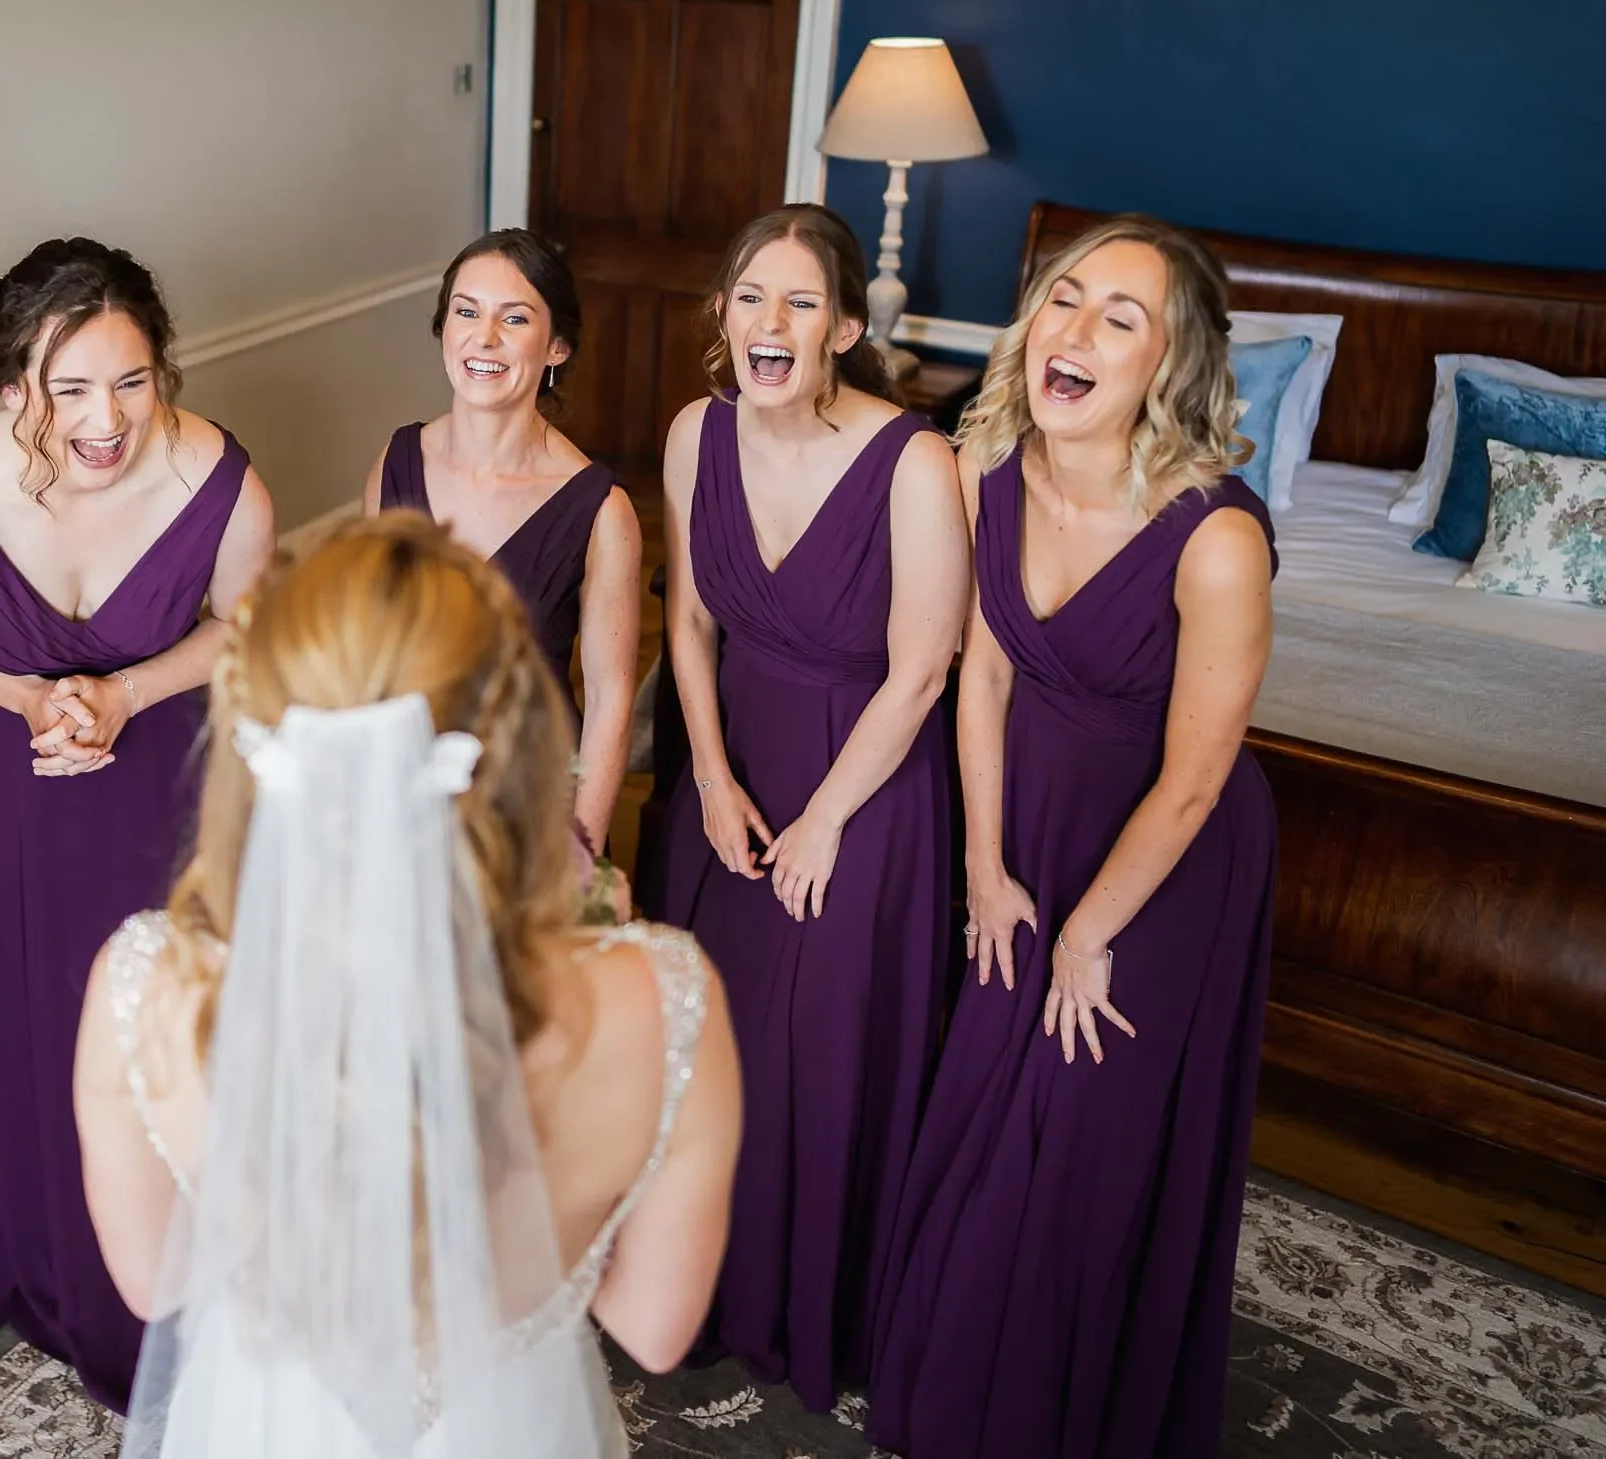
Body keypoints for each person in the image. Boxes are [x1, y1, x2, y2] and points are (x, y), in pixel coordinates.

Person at [70, 514, 743, 1457]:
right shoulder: (666, 995)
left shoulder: (142, 985)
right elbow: (656, 1326)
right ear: (514, 745)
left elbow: (155, 1284)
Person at [865, 215, 1278, 1459]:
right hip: (1026, 830)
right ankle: (956, 1387)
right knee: (984, 1097)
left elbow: (1198, 782)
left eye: (1120, 318)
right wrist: (987, 870)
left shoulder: (1215, 539)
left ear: (1169, 363)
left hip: (1161, 868)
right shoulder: (989, 468)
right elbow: (981, 676)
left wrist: (1088, 933)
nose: (1077, 331)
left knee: (1086, 1134)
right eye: (1064, 300)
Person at [0, 236, 272, 1407]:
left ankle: (180, 1259)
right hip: (1, 779)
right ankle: (39, 1251)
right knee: (20, 1002)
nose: (105, 418)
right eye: (66, 386)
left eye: (131, 381)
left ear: (164, 374)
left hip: (161, 781)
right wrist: (25, 693)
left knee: (164, 1018)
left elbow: (244, 623)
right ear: (9, 387)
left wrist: (127, 690)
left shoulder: (218, 479)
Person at [642, 205, 965, 1411]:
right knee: (708, 1044)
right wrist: (712, 778)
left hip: (863, 786)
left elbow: (922, 668)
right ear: (722, 317)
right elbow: (686, 619)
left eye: (797, 302)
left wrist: (824, 817)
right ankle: (696, 1288)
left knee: (817, 1051)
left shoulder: (914, 459)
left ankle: (809, 1305)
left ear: (839, 324)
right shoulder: (693, 433)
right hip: (731, 768)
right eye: (747, 297)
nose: (768, 323)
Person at [365, 229, 641, 856]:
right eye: (466, 311)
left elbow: (609, 699)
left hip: (527, 794)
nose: (483, 337)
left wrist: (584, 847)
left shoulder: (601, 510)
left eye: (514, 319)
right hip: (398, 786)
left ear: (557, 347)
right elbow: (368, 643)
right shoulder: (395, 462)